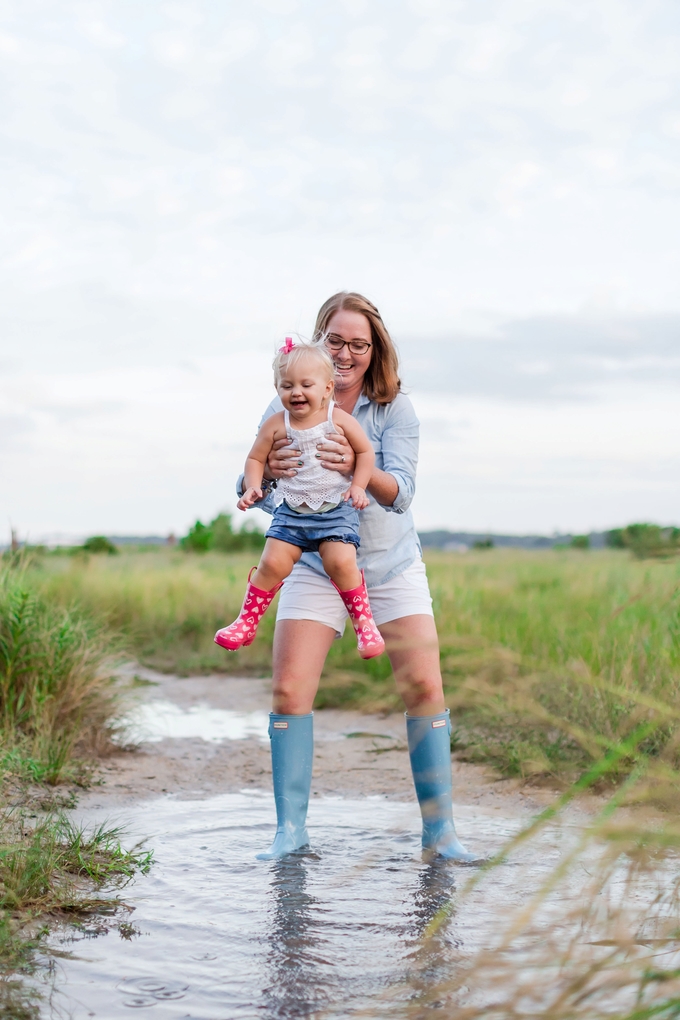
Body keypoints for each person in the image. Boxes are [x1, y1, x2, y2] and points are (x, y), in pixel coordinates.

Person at [245, 292, 482, 863]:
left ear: (374, 351)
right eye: (337, 341)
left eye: (359, 344)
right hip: (312, 564)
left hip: (390, 566)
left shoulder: (396, 410)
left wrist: (359, 465)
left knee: (425, 690)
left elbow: (400, 494)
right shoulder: (286, 405)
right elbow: (254, 487)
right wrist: (263, 478)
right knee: (288, 692)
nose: (347, 353)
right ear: (318, 340)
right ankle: (290, 832)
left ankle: (440, 833)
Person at [214, 338, 384, 659]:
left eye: (307, 384)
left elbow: (365, 452)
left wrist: (359, 486)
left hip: (334, 510)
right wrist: (254, 485)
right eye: (286, 385)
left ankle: (364, 623)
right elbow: (255, 459)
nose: (296, 392)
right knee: (272, 562)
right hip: (291, 511)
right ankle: (246, 622)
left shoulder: (339, 419)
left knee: (340, 562)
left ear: (327, 388)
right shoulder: (276, 424)